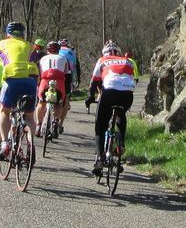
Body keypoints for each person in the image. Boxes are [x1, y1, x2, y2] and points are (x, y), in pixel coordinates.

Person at [0, 21, 41, 159]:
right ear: (23, 34)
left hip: (10, 81)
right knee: (29, 115)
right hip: (30, 82)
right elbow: (38, 69)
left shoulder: (0, 45)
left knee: (4, 111)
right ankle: (30, 144)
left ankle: (4, 144)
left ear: (7, 33)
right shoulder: (31, 46)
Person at [85, 41, 137, 175]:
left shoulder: (102, 60)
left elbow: (94, 82)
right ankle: (121, 145)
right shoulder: (128, 61)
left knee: (100, 125)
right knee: (120, 114)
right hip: (127, 94)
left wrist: (91, 98)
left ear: (105, 53)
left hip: (109, 91)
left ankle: (100, 159)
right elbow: (134, 79)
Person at [35, 41, 69, 138]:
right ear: (59, 50)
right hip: (59, 83)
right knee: (59, 104)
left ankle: (38, 125)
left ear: (47, 50)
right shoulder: (64, 58)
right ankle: (55, 123)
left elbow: (40, 74)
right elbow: (67, 74)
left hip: (45, 82)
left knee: (41, 102)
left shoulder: (43, 59)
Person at [58, 40, 80, 125]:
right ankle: (61, 123)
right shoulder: (71, 53)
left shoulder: (55, 50)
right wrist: (77, 80)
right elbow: (76, 68)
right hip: (68, 76)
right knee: (66, 97)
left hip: (55, 74)